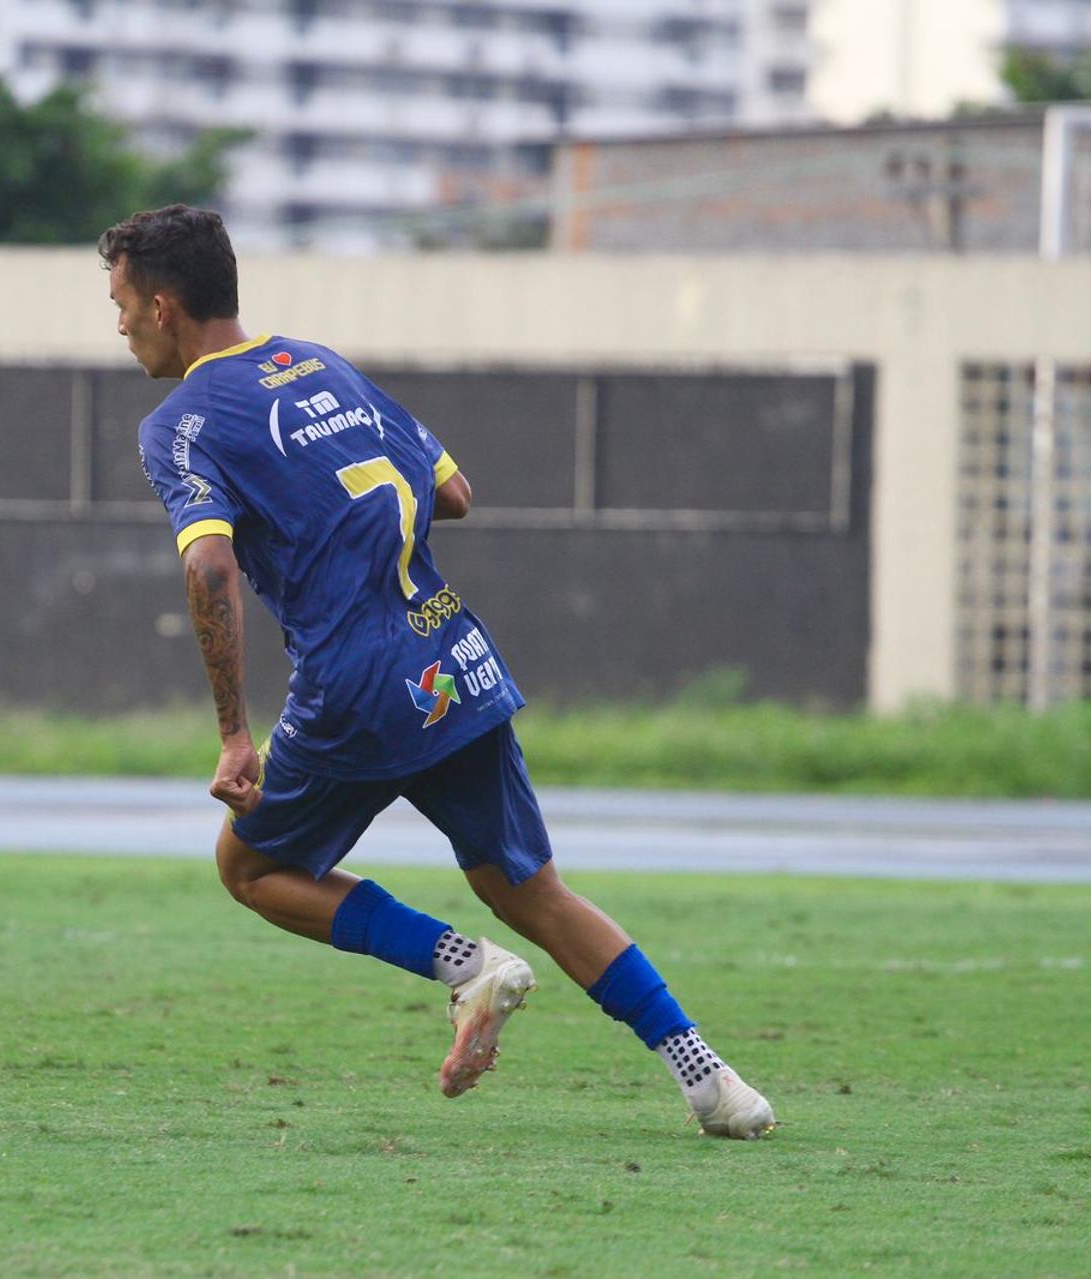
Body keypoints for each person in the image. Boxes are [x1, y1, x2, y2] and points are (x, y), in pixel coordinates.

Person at [100, 206, 774, 1137]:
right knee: (532, 887)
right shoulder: (320, 363)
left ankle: (465, 964)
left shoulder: (178, 423)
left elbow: (209, 564)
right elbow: (454, 492)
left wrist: (231, 731)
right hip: (452, 653)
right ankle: (712, 1079)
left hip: (356, 683)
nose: (120, 323)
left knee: (250, 865)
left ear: (165, 305)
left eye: (123, 302)